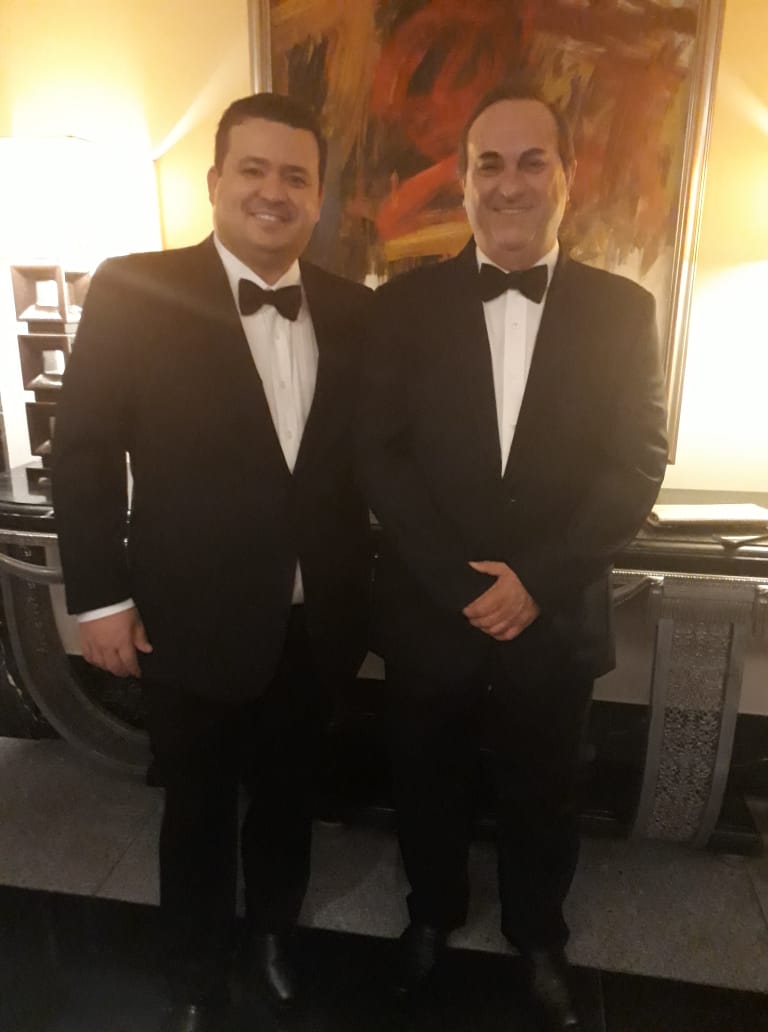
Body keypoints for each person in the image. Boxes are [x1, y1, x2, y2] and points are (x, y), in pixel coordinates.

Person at [52, 92, 372, 1032]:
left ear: (318, 196)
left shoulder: (357, 311)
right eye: (254, 169)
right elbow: (83, 452)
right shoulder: (133, 288)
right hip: (186, 616)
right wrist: (99, 600)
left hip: (317, 618)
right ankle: (193, 972)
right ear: (216, 181)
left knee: (288, 798)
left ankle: (271, 933)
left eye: (296, 176)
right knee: (194, 808)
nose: (274, 191)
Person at [358, 84, 668, 1031]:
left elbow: (638, 461)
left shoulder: (625, 311)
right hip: (432, 608)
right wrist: (463, 584)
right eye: (488, 163)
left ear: (569, 177)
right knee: (426, 784)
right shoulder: (401, 306)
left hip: (555, 611)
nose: (509, 183)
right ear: (463, 180)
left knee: (547, 792)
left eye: (533, 161)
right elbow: (380, 456)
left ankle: (539, 936)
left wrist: (538, 580)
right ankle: (431, 916)